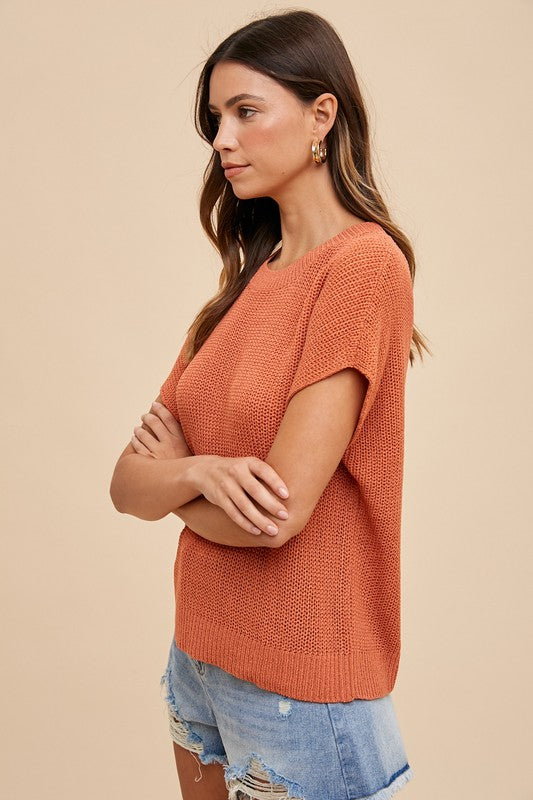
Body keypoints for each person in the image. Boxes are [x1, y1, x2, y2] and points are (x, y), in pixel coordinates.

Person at [110, 9, 431, 800]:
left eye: (246, 111)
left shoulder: (363, 269)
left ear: (321, 115)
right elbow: (124, 484)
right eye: (215, 119)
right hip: (199, 658)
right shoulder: (246, 283)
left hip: (300, 683)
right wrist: (204, 472)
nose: (222, 139)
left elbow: (274, 515)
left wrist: (175, 482)